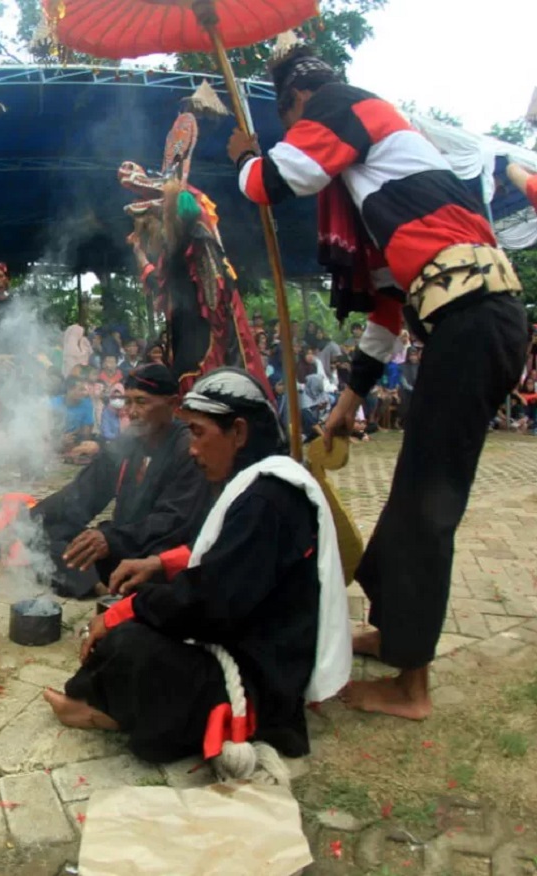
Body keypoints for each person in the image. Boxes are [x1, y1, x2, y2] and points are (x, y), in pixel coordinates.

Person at [231, 45, 527, 719]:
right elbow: (389, 310)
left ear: (298, 103)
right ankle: (396, 634)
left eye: (291, 119)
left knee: (430, 502)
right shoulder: (388, 183)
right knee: (412, 490)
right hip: (468, 321)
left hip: (474, 320)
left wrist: (247, 155)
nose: (301, 128)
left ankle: (410, 686)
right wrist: (346, 404)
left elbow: (280, 178)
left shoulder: (346, 104)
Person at [43, 369, 351, 768]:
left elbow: (206, 606)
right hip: (238, 635)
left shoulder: (267, 501)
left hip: (260, 678)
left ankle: (113, 711)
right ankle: (107, 697)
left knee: (133, 644)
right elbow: (218, 571)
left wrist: (131, 608)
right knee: (131, 622)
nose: (191, 448)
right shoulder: (253, 486)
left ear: (238, 433)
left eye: (199, 432)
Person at [32, 365, 211, 599]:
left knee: (165, 566)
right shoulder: (129, 440)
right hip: (118, 546)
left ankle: (101, 584)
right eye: (127, 402)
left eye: (141, 401)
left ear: (172, 403)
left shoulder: (187, 448)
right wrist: (31, 517)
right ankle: (99, 586)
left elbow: (172, 521)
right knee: (46, 534)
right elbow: (83, 492)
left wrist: (111, 538)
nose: (132, 412)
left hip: (153, 548)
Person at [51, 376, 97, 461]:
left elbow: (86, 434)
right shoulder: (53, 404)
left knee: (92, 446)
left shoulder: (87, 405)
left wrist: (75, 440)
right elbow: (44, 429)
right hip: (54, 440)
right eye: (81, 389)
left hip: (74, 441)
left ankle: (69, 455)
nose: (84, 393)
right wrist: (60, 439)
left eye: (85, 390)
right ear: (69, 389)